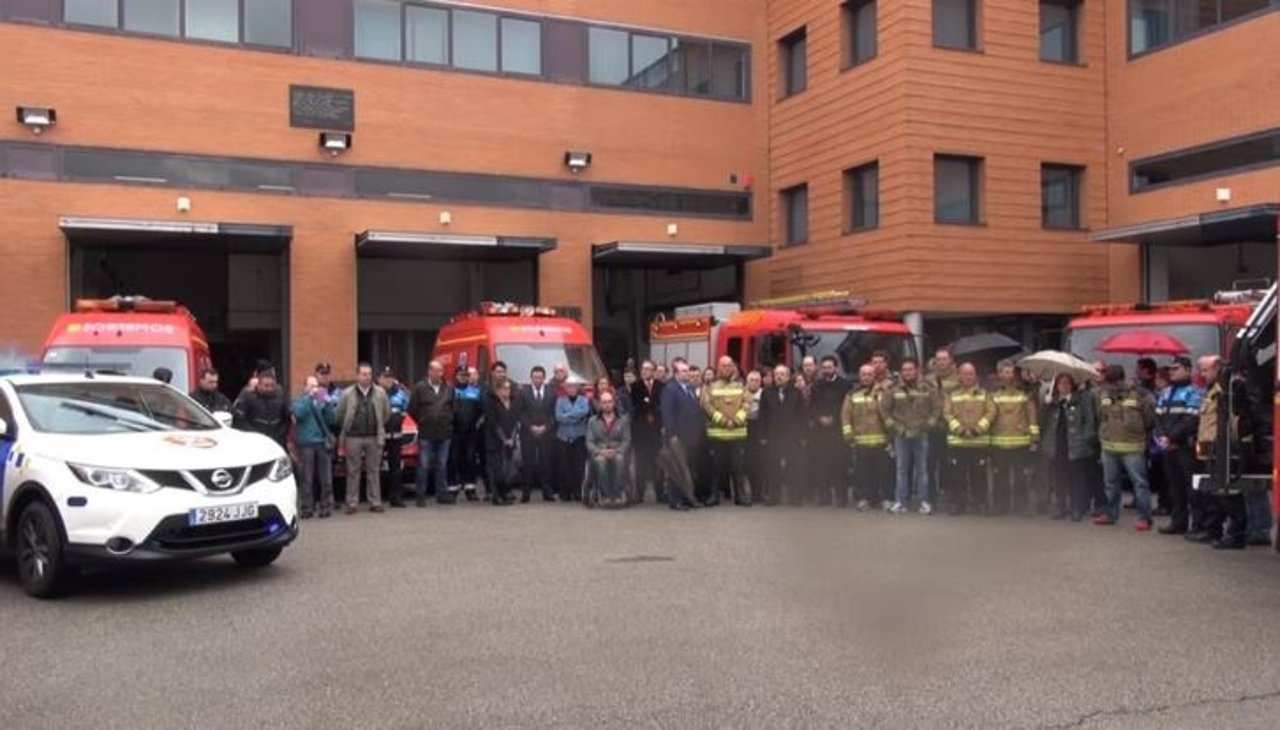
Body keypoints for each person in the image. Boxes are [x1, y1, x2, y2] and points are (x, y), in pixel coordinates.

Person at [1094, 364, 1157, 530]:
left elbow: (1150, 418)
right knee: (1110, 483)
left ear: (1121, 380)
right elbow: (1100, 415)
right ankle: (1110, 513)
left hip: (1133, 447)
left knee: (1140, 484)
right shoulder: (1103, 393)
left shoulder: (1141, 394)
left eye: (1111, 383)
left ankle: (1145, 517)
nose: (1109, 386)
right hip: (1109, 446)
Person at [881, 358, 941, 515]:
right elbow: (884, 411)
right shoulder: (893, 389)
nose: (907, 372)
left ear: (917, 370)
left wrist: (930, 424)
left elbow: (936, 409)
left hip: (922, 434)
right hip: (901, 434)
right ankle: (900, 502)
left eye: (910, 369)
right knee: (901, 469)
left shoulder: (928, 388)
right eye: (904, 370)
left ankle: (924, 502)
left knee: (922, 470)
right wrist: (895, 427)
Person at [1040, 373, 1100, 521]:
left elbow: (1089, 421)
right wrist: (1045, 406)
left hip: (1075, 444)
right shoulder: (1053, 402)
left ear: (1072, 386)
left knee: (1076, 479)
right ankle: (1061, 508)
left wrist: (1086, 439)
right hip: (1057, 445)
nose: (1063, 386)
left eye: (1067, 383)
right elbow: (1042, 423)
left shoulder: (1080, 401)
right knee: (1059, 478)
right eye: (1060, 384)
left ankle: (1076, 508)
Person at [1155, 356, 1204, 535]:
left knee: (1193, 488)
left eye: (1176, 368)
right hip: (1168, 447)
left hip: (1186, 447)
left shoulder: (1195, 392)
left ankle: (1198, 525)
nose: (1172, 372)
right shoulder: (1165, 392)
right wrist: (1161, 437)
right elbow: (1158, 418)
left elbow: (1191, 421)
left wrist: (1171, 438)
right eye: (1170, 369)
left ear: (1188, 370)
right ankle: (1178, 522)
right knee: (1174, 487)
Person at [336, 363, 390, 514]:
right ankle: (352, 503)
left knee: (374, 470)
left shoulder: (380, 393)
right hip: (353, 437)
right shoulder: (347, 393)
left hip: (374, 436)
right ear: (357, 376)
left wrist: (378, 427)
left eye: (369, 374)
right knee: (353, 471)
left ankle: (375, 502)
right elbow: (340, 415)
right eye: (364, 374)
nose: (367, 377)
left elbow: (386, 413)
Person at [942, 363, 994, 516]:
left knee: (979, 476)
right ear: (959, 375)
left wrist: (978, 429)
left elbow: (991, 412)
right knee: (957, 476)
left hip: (979, 442)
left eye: (970, 374)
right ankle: (958, 504)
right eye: (964, 374)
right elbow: (947, 413)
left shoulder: (985, 394)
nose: (968, 377)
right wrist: (959, 429)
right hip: (957, 442)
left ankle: (980, 504)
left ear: (975, 375)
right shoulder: (951, 395)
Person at [989, 360, 1040, 515]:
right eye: (1005, 372)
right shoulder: (992, 395)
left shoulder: (1024, 394)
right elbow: (989, 416)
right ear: (999, 374)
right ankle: (1000, 505)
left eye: (1011, 372)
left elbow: (1032, 417)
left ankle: (1021, 505)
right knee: (999, 476)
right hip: (998, 442)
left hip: (1021, 442)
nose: (1009, 375)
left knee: (1021, 476)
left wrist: (1034, 439)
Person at [1189, 355, 1229, 546]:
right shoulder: (1211, 390)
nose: (1201, 374)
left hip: (1217, 447)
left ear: (1217, 369)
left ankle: (1216, 532)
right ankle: (1211, 530)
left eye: (1205, 370)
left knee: (1217, 493)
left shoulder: (1222, 390)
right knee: (1209, 493)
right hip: (1208, 448)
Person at [701, 356, 749, 507]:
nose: (727, 368)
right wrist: (723, 421)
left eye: (730, 366)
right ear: (718, 368)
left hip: (737, 434)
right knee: (716, 468)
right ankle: (714, 496)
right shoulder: (710, 387)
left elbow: (747, 405)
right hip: (718, 435)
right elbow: (707, 406)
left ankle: (740, 496)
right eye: (724, 366)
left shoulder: (741, 386)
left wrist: (735, 421)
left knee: (738, 468)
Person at [842, 364, 891, 511]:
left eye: (869, 374)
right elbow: (845, 416)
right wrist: (848, 435)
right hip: (860, 441)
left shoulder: (884, 392)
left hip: (881, 440)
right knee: (863, 473)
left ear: (874, 376)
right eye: (863, 374)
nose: (866, 377)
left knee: (883, 472)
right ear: (859, 376)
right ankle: (864, 499)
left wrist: (891, 436)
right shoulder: (851, 394)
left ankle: (884, 499)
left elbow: (890, 412)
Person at [408, 360, 456, 506]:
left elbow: (454, 407)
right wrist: (423, 421)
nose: (439, 374)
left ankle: (442, 494)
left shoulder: (449, 388)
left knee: (442, 465)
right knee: (423, 464)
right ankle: (420, 496)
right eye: (436, 371)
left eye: (441, 371)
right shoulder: (419, 388)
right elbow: (412, 409)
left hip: (444, 433)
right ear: (429, 372)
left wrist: (447, 420)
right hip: (426, 433)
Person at [659, 361, 705, 511]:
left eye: (688, 371)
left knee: (688, 469)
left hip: (691, 436)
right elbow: (668, 414)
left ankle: (688, 498)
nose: (688, 373)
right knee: (677, 469)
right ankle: (676, 500)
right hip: (677, 437)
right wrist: (672, 435)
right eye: (684, 371)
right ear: (676, 374)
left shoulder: (690, 388)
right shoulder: (670, 389)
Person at [292, 375, 337, 519]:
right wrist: (308, 399)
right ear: (305, 388)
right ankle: (307, 508)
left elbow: (331, 420)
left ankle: (325, 506)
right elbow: (299, 414)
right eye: (311, 386)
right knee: (307, 478)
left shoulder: (321, 400)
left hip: (322, 442)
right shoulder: (299, 401)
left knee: (325, 478)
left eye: (316, 386)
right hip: (306, 443)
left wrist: (328, 404)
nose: (315, 389)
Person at [759, 364, 804, 506]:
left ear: (788, 376)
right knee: (773, 468)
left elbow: (801, 416)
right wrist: (763, 436)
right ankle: (774, 496)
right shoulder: (766, 393)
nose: (779, 377)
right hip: (773, 437)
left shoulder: (796, 393)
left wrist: (802, 436)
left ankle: (794, 497)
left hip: (792, 437)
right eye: (776, 374)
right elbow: (762, 416)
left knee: (793, 468)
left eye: (782, 374)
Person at [810, 355, 852, 507]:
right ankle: (824, 497)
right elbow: (812, 406)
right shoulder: (816, 385)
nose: (827, 370)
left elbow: (846, 406)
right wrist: (819, 418)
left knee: (839, 466)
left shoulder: (845, 384)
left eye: (829, 367)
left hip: (838, 431)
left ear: (836, 368)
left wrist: (833, 417)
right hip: (820, 432)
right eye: (824, 367)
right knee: (822, 466)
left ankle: (841, 497)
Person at [516, 366, 558, 502]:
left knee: (546, 463)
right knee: (527, 463)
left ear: (544, 378)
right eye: (535, 377)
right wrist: (531, 427)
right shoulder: (523, 392)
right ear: (531, 378)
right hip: (528, 433)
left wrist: (545, 427)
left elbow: (554, 413)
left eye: (540, 377)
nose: (537, 380)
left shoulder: (552, 392)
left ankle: (547, 492)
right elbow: (520, 412)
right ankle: (526, 493)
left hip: (546, 433)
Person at [929, 348, 962, 512]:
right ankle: (932, 497)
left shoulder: (959, 379)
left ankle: (952, 496)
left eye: (944, 359)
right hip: (933, 428)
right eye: (938, 359)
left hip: (953, 427)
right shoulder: (928, 380)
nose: (941, 362)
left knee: (951, 464)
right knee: (930, 463)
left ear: (950, 361)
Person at [587, 389, 632, 507]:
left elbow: (626, 440)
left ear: (614, 403)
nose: (607, 405)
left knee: (620, 460)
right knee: (601, 462)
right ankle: (606, 495)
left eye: (609, 402)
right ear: (600, 404)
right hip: (600, 452)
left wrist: (616, 451)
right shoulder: (592, 421)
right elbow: (589, 442)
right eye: (604, 402)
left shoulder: (623, 420)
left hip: (618, 451)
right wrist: (600, 452)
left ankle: (617, 494)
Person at [629, 359, 665, 504]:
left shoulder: (662, 386)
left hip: (656, 429)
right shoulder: (635, 386)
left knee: (658, 463)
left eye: (648, 369)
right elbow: (637, 404)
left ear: (654, 371)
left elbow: (661, 405)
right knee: (640, 462)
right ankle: (639, 492)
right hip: (641, 429)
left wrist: (650, 406)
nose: (645, 371)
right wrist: (651, 406)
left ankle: (659, 492)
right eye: (643, 369)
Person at [232, 364, 291, 448]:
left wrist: (281, 433)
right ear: (258, 385)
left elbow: (287, 415)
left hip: (277, 439)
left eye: (272, 385)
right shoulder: (247, 395)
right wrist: (253, 433)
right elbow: (239, 418)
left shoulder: (280, 394)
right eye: (266, 386)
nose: (269, 388)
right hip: (255, 440)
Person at [483, 379, 521, 506]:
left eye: (509, 388)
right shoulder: (491, 403)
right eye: (504, 388)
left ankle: (505, 494)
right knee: (496, 471)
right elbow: (493, 423)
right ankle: (496, 496)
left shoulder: (513, 403)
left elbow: (516, 422)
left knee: (507, 472)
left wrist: (512, 438)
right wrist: (504, 439)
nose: (508, 391)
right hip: (495, 442)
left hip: (510, 442)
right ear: (497, 390)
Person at [451, 366, 485, 501]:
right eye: (461, 375)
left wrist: (478, 424)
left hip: (471, 432)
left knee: (470, 460)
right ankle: (453, 488)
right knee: (453, 460)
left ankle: (470, 489)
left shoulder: (476, 392)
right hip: (454, 432)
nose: (463, 377)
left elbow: (483, 412)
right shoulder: (450, 391)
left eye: (465, 375)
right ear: (455, 376)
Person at [378, 367, 410, 508]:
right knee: (375, 469)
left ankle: (396, 497)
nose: (389, 380)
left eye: (391, 377)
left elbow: (409, 409)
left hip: (396, 437)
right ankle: (376, 498)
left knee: (396, 468)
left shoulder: (401, 394)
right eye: (385, 377)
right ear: (379, 379)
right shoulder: (376, 393)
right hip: (379, 437)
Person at [555, 380, 591, 501]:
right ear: (565, 388)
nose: (571, 389)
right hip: (563, 438)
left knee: (579, 466)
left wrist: (568, 415)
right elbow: (558, 417)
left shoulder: (584, 400)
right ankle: (565, 493)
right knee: (564, 466)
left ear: (578, 388)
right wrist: (575, 416)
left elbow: (584, 412)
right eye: (569, 387)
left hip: (579, 437)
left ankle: (578, 492)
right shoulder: (560, 400)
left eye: (574, 386)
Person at [744, 369, 766, 506]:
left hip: (760, 429)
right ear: (747, 381)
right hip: (745, 430)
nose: (754, 382)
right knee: (748, 464)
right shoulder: (741, 394)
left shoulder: (766, 394)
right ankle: (750, 493)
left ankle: (759, 493)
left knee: (761, 463)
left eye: (757, 380)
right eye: (751, 380)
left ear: (761, 381)